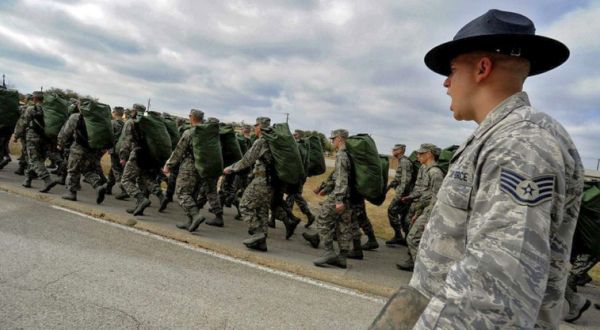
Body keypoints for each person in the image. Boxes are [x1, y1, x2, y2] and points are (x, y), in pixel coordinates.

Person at [371, 9, 584, 329]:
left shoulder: (521, 146)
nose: (445, 82)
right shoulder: (498, 137)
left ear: (482, 68)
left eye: (452, 70)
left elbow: (494, 292)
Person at [223, 117, 273, 252]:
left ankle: (258, 233)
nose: (254, 128)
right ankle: (262, 243)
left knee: (244, 205)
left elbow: (247, 160)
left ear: (261, 127)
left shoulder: (261, 141)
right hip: (271, 182)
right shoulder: (273, 141)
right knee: (261, 210)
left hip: (261, 180)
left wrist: (231, 168)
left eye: (256, 125)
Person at [306, 129, 354, 269]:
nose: (332, 141)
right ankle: (342, 258)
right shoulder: (350, 154)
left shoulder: (341, 155)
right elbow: (337, 176)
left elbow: (341, 178)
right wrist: (325, 188)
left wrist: (338, 199)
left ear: (340, 139)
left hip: (340, 194)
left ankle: (329, 251)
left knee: (322, 218)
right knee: (343, 225)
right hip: (349, 195)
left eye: (333, 139)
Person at [395, 143, 443, 271]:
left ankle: (421, 270)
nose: (418, 155)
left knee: (413, 237)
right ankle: (413, 261)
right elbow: (422, 191)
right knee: (412, 234)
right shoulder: (425, 169)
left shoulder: (435, 173)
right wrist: (410, 198)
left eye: (421, 153)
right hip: (420, 207)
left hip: (429, 211)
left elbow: (437, 198)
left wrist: (429, 217)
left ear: (429, 154)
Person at [162, 109, 207, 231]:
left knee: (182, 193)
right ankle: (189, 221)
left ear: (192, 117)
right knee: (193, 194)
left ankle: (195, 215)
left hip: (189, 167)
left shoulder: (189, 132)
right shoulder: (208, 133)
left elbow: (178, 151)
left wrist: (168, 165)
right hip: (202, 167)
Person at [57, 102, 107, 203]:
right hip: (93, 149)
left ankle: (71, 193)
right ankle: (98, 186)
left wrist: (60, 143)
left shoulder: (76, 117)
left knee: (72, 170)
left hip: (78, 148)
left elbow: (66, 132)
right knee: (87, 170)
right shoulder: (97, 119)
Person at [13, 91, 58, 193]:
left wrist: (16, 135)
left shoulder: (31, 108)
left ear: (34, 98)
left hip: (33, 137)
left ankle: (47, 180)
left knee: (33, 159)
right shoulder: (50, 110)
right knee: (39, 159)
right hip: (46, 138)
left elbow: (23, 123)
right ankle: (28, 179)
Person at [385, 144, 414, 246]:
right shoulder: (401, 161)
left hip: (405, 194)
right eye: (393, 149)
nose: (393, 151)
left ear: (401, 150)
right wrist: (387, 188)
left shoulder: (405, 162)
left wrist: (399, 196)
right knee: (404, 216)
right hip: (406, 194)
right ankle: (406, 238)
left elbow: (405, 181)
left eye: (396, 149)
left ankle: (398, 236)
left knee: (391, 210)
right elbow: (398, 179)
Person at [106, 106, 126, 196]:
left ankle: (124, 189)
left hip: (114, 149)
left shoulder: (112, 123)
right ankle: (108, 187)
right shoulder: (125, 124)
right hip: (122, 150)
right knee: (113, 168)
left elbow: (109, 136)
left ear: (114, 113)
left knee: (116, 169)